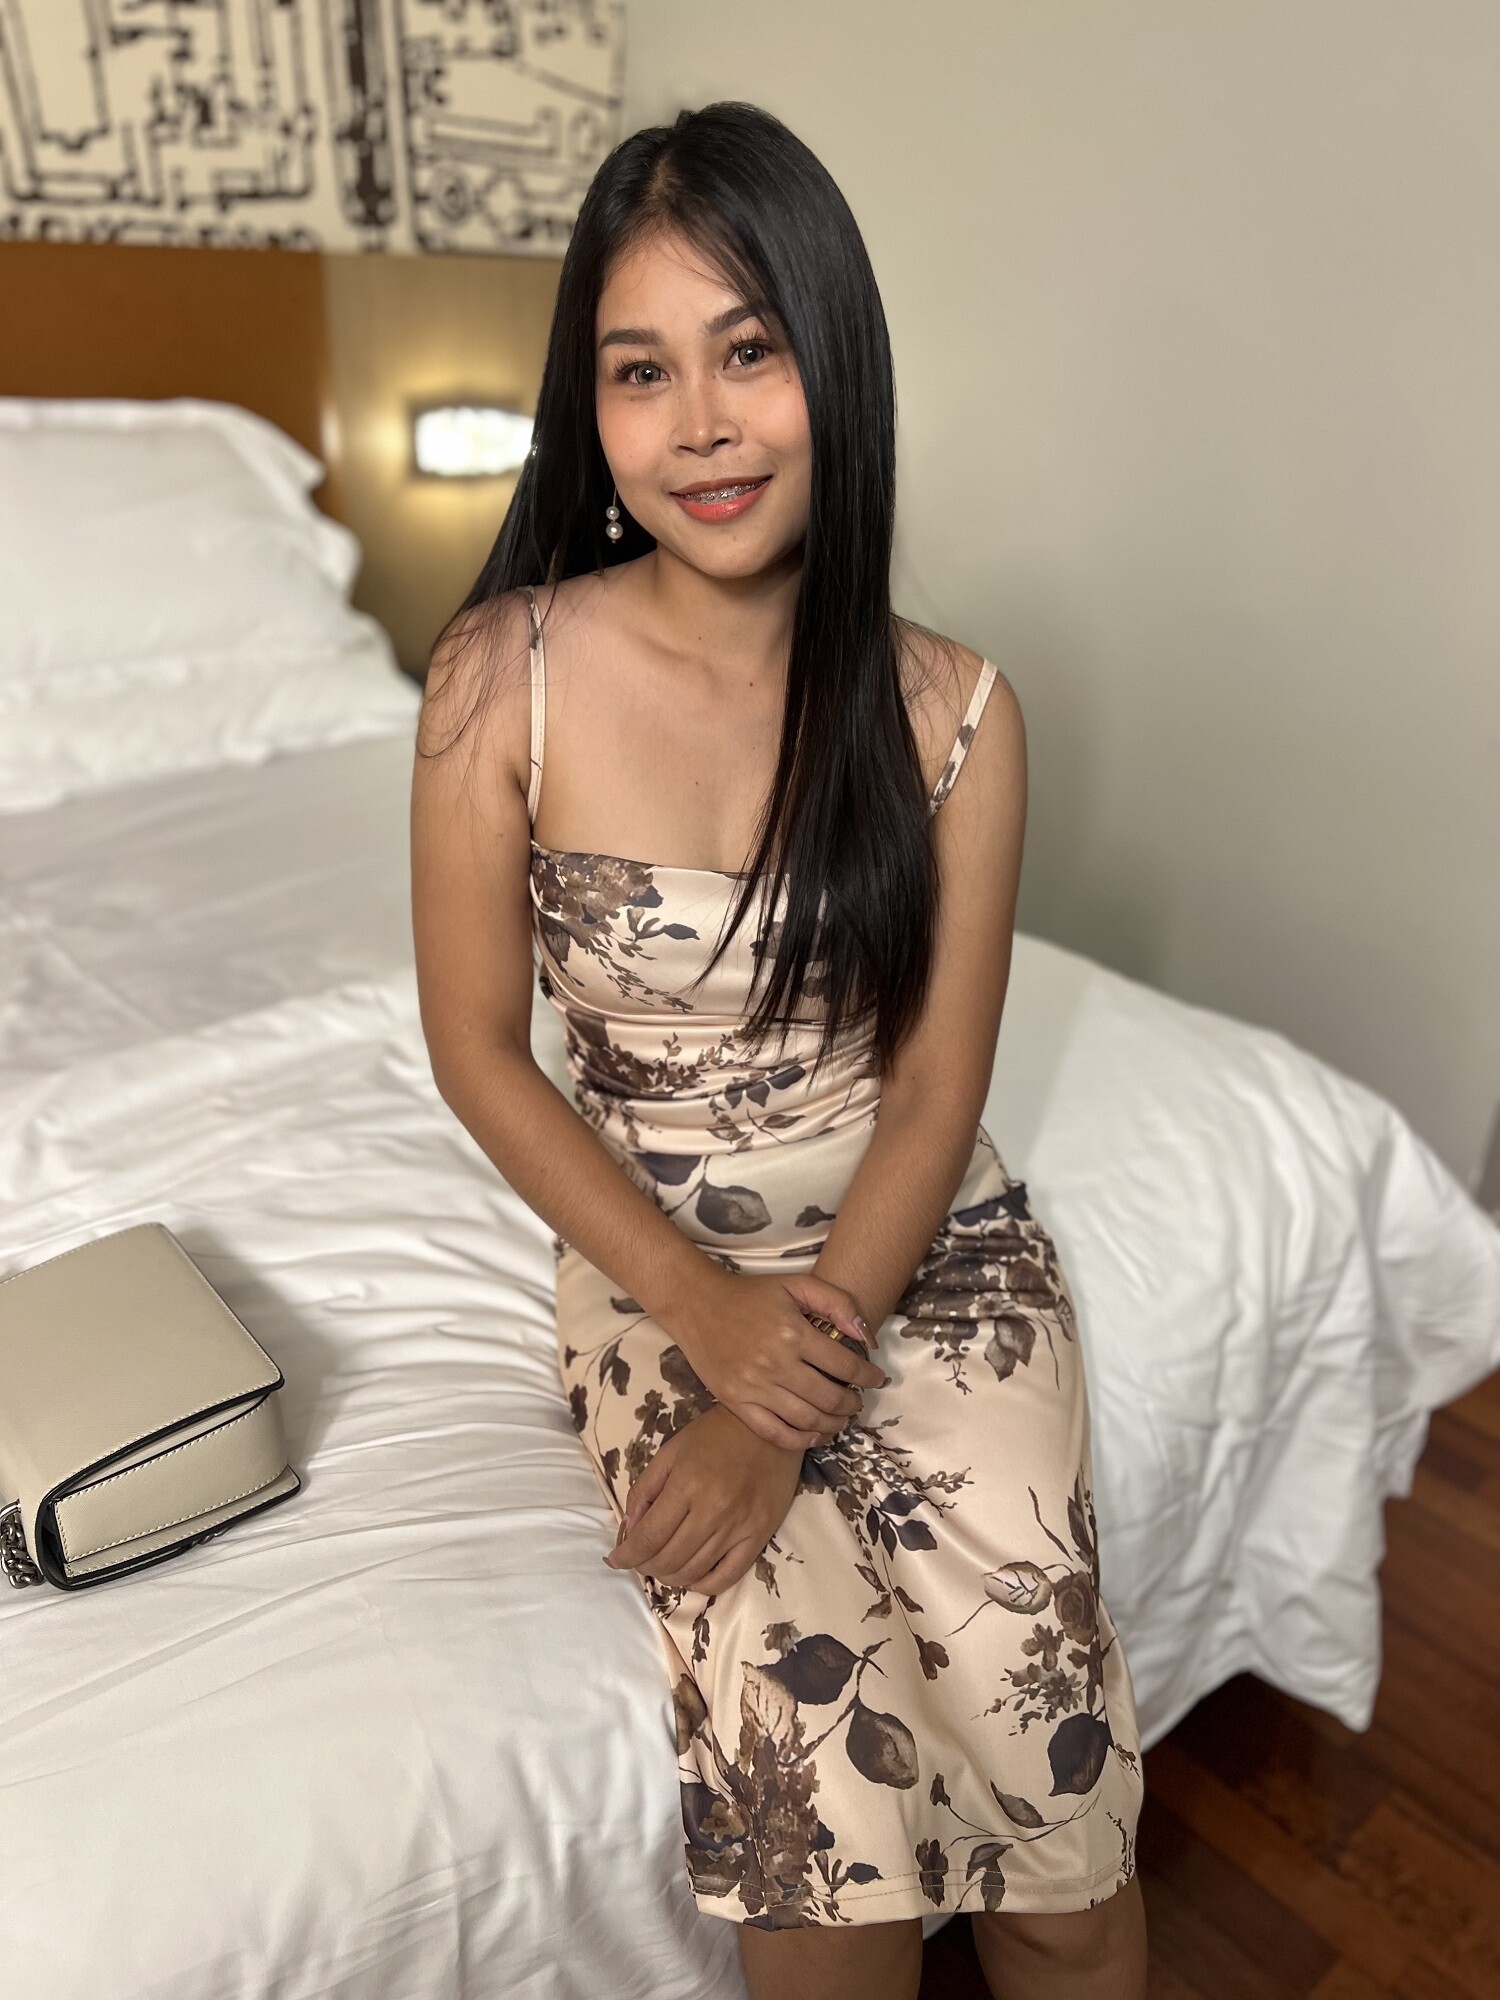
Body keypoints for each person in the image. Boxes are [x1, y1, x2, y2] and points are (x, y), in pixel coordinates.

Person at [411, 100, 1145, 2000]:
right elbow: (478, 1049)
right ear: (589, 409)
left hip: (928, 1253)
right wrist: (705, 1329)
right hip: (662, 1267)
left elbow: (937, 1091)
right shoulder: (501, 676)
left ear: (838, 358)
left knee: (1062, 1863)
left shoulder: (958, 710)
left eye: (749, 350)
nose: (702, 425)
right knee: (836, 1879)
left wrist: (774, 1405)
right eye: (640, 371)